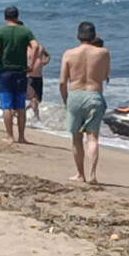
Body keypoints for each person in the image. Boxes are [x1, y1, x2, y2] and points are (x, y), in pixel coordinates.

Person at [59, 21, 110, 185]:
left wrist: (65, 99)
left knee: (76, 138)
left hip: (75, 94)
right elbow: (104, 75)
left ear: (78, 35)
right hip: (94, 94)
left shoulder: (68, 53)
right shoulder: (103, 52)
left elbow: (62, 81)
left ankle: (80, 173)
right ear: (94, 36)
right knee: (93, 137)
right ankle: (93, 174)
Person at [0, 5, 39, 144]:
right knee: (20, 106)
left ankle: (10, 136)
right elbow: (36, 46)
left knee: (7, 106)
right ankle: (22, 137)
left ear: (5, 17)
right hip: (21, 71)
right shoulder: (25, 31)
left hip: (6, 72)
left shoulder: (0, 32)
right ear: (17, 17)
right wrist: (31, 64)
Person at [26, 42, 51, 121]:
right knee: (32, 99)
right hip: (29, 77)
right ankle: (36, 118)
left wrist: (46, 61)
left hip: (39, 77)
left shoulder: (41, 48)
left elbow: (47, 55)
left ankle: (36, 118)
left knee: (36, 100)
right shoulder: (25, 48)